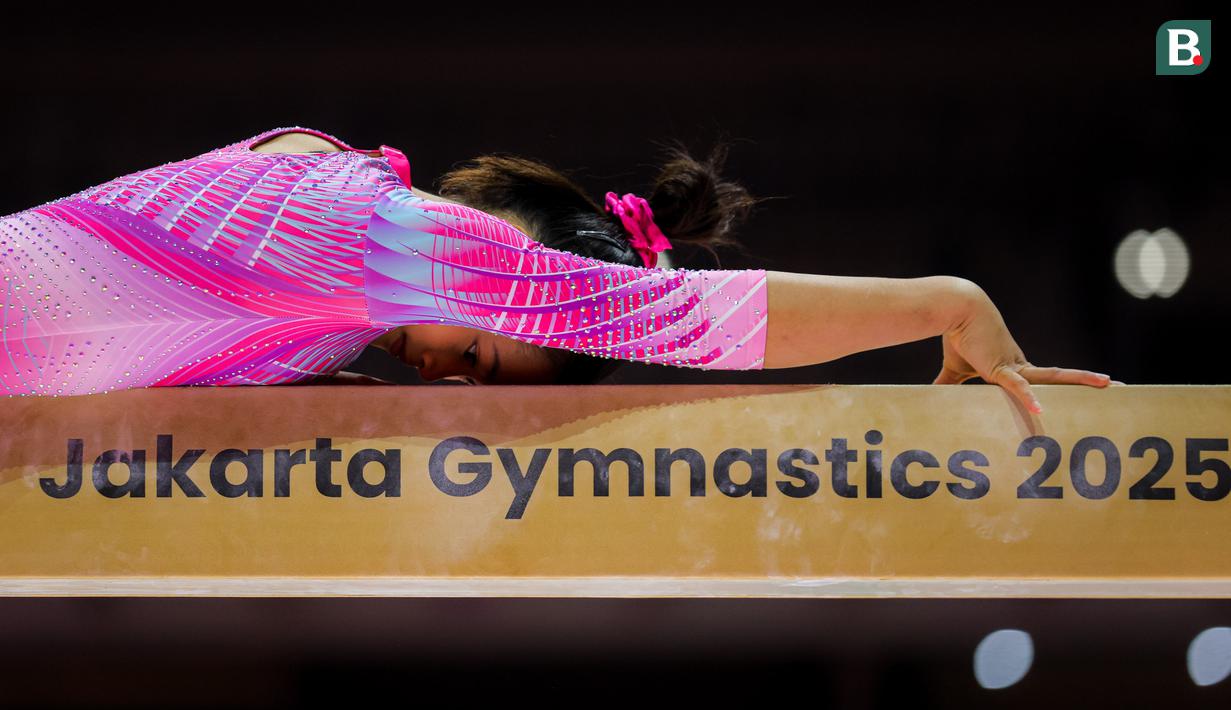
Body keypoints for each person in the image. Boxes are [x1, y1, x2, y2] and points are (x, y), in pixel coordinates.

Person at [0, 126, 1117, 412]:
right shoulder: (405, 239)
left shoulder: (333, 286)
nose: (443, 384)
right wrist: (944, 301)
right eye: (478, 350)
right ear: (494, 241)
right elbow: (667, 317)